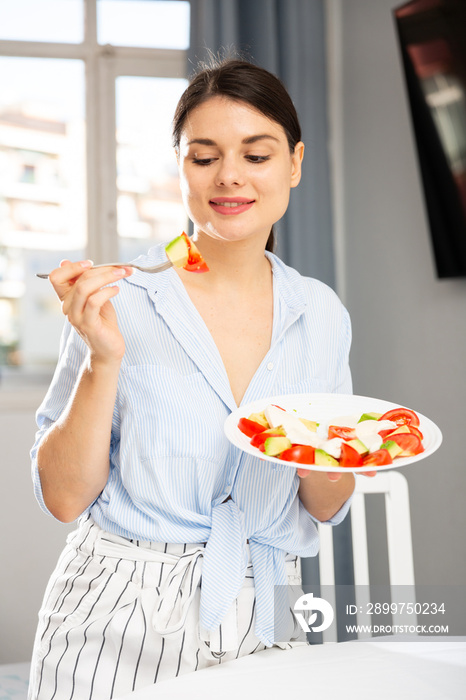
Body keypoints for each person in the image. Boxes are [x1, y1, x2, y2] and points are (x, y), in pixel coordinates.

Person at [28, 57, 356, 700]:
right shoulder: (117, 301)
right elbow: (64, 498)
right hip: (116, 614)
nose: (229, 176)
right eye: (203, 157)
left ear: (293, 163)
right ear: (179, 167)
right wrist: (103, 359)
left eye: (256, 156)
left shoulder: (320, 312)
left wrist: (337, 444)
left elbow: (326, 502)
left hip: (266, 612)